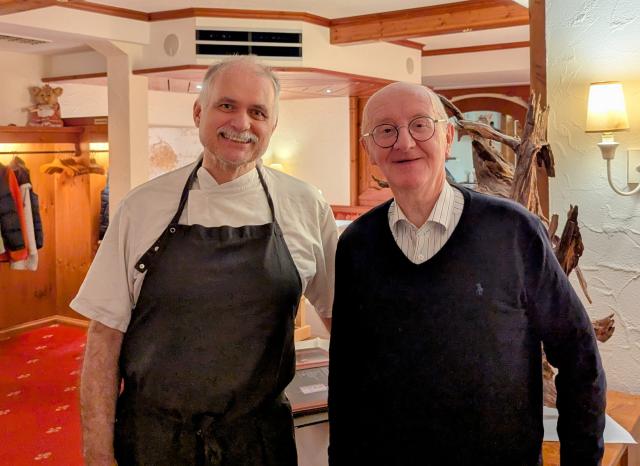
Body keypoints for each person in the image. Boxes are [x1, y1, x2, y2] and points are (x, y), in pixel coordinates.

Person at [73, 55, 337, 466]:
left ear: (272, 125)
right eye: (226, 105)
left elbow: (342, 319)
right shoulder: (142, 207)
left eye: (258, 112)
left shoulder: (306, 205)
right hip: (154, 441)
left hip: (260, 443)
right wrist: (97, 454)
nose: (241, 122)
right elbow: (104, 338)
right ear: (199, 112)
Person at [327, 82, 606, 466]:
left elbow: (578, 354)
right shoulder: (356, 245)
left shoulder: (513, 231)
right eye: (386, 130)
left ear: (448, 138)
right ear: (368, 150)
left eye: (420, 125)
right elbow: (346, 372)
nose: (404, 142)